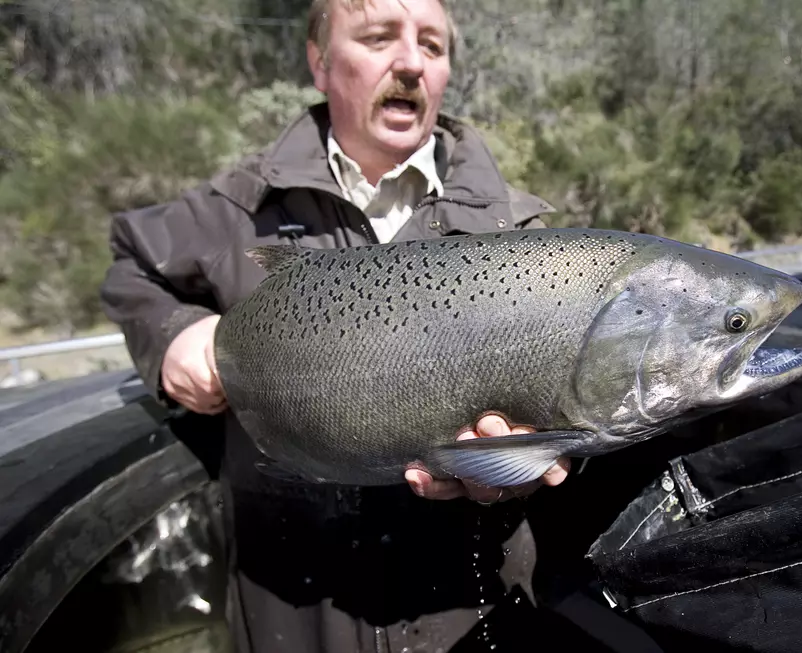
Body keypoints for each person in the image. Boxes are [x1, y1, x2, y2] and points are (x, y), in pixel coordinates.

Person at [99, 0, 576, 650]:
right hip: (288, 613)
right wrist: (174, 333)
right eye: (379, 37)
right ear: (319, 63)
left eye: (432, 46)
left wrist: (524, 463)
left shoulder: (515, 238)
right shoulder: (238, 209)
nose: (410, 61)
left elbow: (564, 431)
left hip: (475, 617)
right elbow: (131, 262)